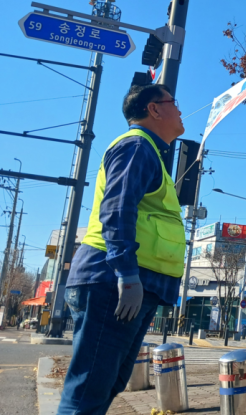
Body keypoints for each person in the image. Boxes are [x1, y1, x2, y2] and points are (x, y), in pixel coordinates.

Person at [58, 84, 187, 414]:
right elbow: (117, 209)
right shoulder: (136, 146)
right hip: (112, 281)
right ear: (154, 109)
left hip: (125, 283)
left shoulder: (148, 151)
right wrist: (127, 275)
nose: (180, 110)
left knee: (104, 385)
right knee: (89, 390)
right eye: (174, 103)